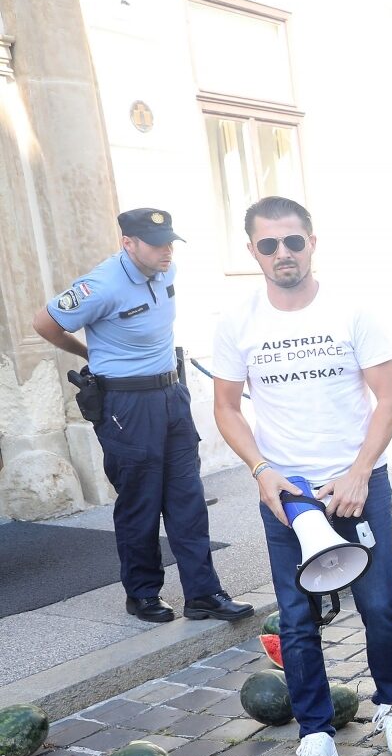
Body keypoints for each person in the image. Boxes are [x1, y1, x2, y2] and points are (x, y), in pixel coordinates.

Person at [211, 196, 392, 756]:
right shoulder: (237, 322)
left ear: (312, 243)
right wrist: (260, 470)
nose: (282, 253)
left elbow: (390, 400)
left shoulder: (352, 312)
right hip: (286, 493)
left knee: (378, 604)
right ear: (253, 251)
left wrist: (359, 471)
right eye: (268, 244)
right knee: (296, 619)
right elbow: (225, 408)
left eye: (293, 241)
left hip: (357, 483)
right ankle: (315, 733)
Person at [30, 209, 252, 625]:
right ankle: (143, 594)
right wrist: (89, 355)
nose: (166, 250)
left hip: (171, 394)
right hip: (127, 407)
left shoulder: (167, 269)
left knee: (187, 499)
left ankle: (203, 594)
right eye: (156, 243)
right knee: (141, 504)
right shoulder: (100, 286)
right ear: (127, 243)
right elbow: (44, 323)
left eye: (169, 241)